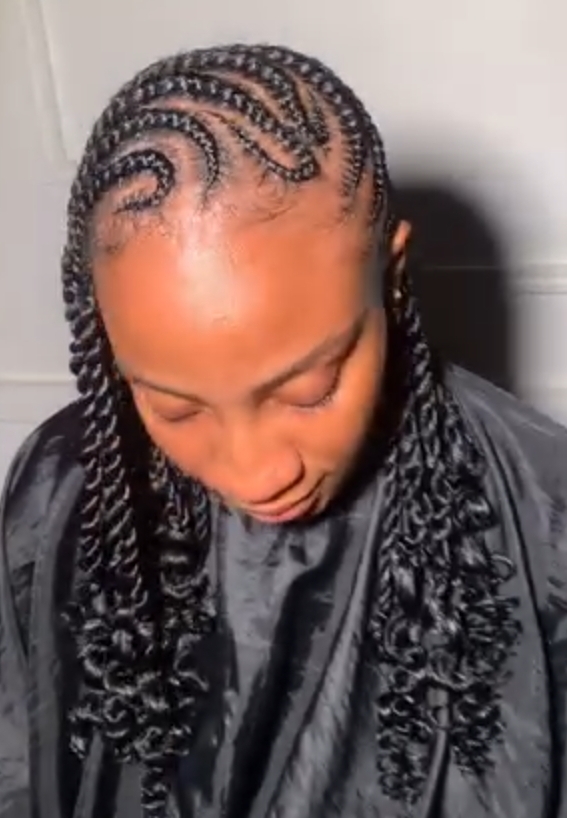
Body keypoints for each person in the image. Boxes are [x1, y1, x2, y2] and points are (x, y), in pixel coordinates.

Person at [1, 41, 567, 818]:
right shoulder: (60, 489)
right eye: (175, 408)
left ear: (392, 274)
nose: (254, 471)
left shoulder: (543, 517)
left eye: (308, 390)